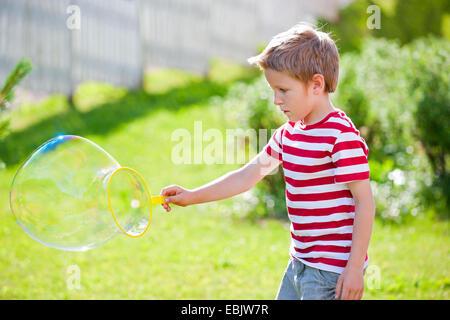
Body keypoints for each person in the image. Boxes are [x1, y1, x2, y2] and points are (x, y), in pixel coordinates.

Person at [160, 23, 375, 300]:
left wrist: (355, 267)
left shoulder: (339, 135)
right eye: (273, 90)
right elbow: (247, 175)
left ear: (316, 84)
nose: (276, 100)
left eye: (283, 90)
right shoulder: (288, 134)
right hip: (299, 264)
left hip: (332, 273)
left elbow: (364, 201)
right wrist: (191, 196)